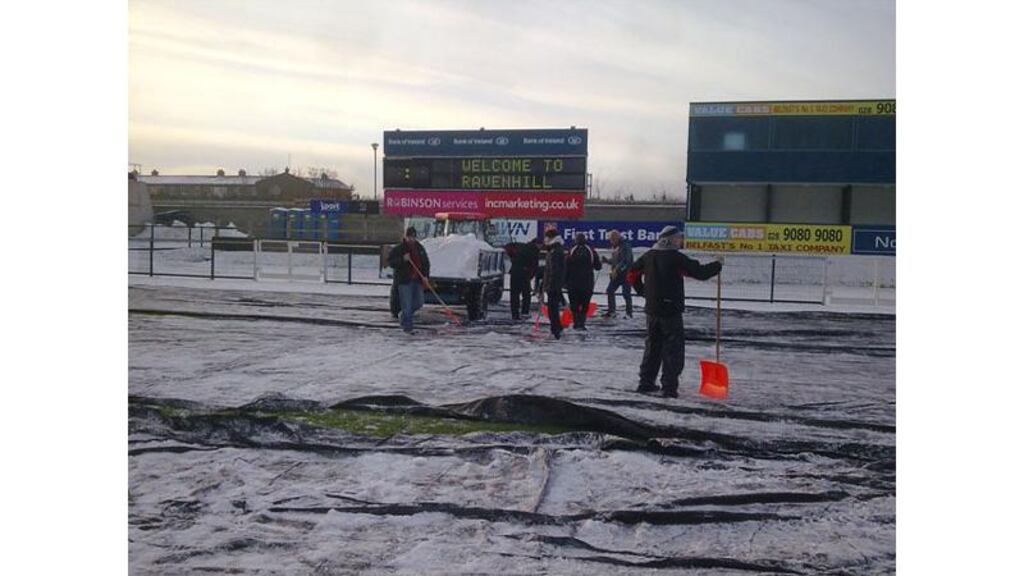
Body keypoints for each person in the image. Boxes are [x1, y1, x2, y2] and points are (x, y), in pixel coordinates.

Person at [626, 225, 722, 398]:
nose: (681, 241)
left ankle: (645, 382)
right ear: (670, 240)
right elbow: (699, 273)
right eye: (678, 238)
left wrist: (644, 291)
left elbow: (631, 274)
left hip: (652, 309)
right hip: (670, 310)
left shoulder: (648, 256)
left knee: (652, 346)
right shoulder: (676, 258)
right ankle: (669, 387)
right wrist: (717, 265)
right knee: (673, 349)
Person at [387, 227, 431, 333]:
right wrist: (403, 259)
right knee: (406, 305)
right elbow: (391, 262)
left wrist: (425, 276)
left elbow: (425, 263)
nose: (412, 239)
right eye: (410, 237)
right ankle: (408, 329)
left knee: (419, 302)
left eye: (413, 237)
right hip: (404, 281)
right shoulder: (399, 249)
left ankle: (403, 315)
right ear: (405, 237)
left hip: (417, 280)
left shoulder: (420, 248)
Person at [565, 233, 601, 330]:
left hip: (573, 282)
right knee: (585, 304)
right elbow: (598, 266)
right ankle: (582, 323)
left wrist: (565, 280)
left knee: (574, 304)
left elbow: (566, 265)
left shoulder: (572, 250)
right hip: (587, 282)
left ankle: (576, 323)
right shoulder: (591, 250)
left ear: (576, 240)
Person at [504, 238, 540, 320]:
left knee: (514, 294)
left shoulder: (521, 245)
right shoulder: (534, 250)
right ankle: (524, 312)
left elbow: (508, 247)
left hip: (514, 272)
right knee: (526, 294)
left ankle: (515, 314)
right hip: (524, 273)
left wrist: (513, 258)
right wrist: (530, 276)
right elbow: (534, 266)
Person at [601, 230, 634, 318]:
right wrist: (607, 261)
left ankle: (629, 313)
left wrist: (617, 269)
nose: (610, 242)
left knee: (626, 293)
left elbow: (626, 261)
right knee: (610, 291)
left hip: (626, 274)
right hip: (617, 274)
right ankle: (612, 311)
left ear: (616, 238)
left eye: (611, 240)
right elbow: (616, 260)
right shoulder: (617, 246)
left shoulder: (625, 246)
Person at [540, 229, 566, 339]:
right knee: (552, 308)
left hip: (554, 285)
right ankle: (557, 327)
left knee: (552, 308)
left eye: (546, 237)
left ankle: (556, 329)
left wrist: (550, 284)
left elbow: (555, 270)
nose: (545, 240)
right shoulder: (554, 249)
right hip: (553, 284)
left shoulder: (556, 251)